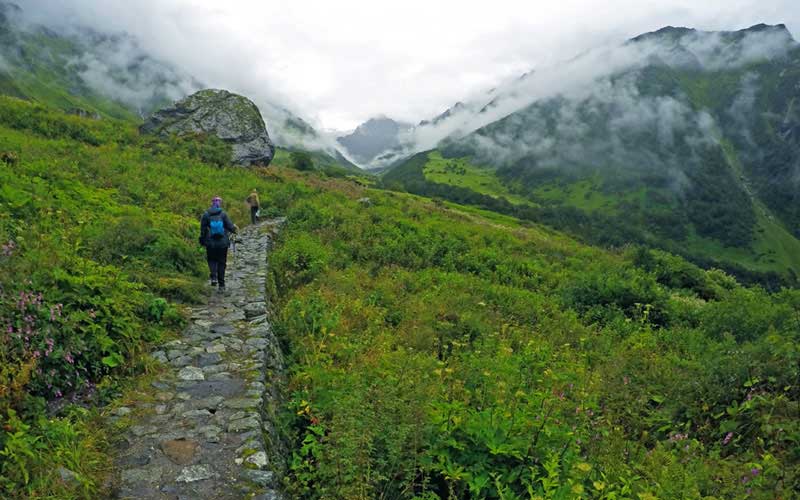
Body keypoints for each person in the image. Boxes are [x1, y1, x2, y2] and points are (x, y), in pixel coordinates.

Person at [199, 196, 237, 292]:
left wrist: (203, 240)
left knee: (211, 260)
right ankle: (222, 285)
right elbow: (230, 227)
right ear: (219, 205)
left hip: (210, 243)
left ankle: (214, 277)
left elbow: (203, 230)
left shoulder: (206, 215)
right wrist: (234, 229)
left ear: (211, 204)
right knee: (222, 263)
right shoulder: (223, 214)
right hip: (222, 243)